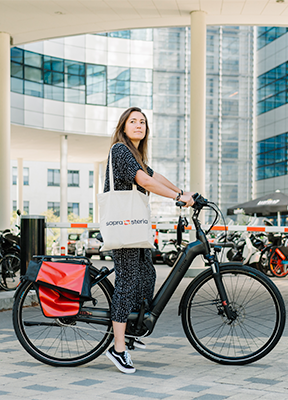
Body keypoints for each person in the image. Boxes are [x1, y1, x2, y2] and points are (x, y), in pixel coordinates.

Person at [104, 106, 195, 374]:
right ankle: (117, 348)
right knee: (127, 280)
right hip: (123, 227)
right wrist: (177, 198)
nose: (139, 125)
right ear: (123, 127)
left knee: (146, 274)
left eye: (142, 122)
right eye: (133, 121)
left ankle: (131, 331)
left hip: (134, 226)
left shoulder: (135, 155)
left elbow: (154, 175)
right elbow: (144, 180)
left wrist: (182, 190)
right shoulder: (120, 150)